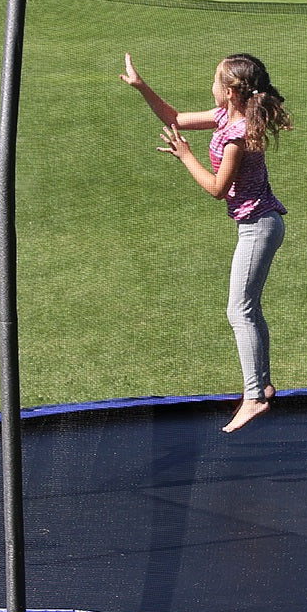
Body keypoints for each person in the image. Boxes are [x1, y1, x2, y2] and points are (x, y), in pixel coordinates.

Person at [120, 52, 292, 432]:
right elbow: (175, 118)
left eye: (214, 80)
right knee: (248, 308)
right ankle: (261, 384)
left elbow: (217, 188)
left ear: (230, 91)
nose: (209, 87)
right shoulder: (224, 117)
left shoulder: (237, 136)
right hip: (257, 225)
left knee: (239, 310)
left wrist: (185, 156)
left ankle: (254, 397)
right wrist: (141, 86)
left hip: (258, 227)